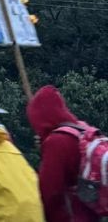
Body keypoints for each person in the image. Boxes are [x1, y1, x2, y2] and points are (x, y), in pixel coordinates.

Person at [26, 85, 101, 222]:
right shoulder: (82, 129)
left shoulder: (56, 142)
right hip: (91, 214)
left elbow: (49, 192)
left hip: (69, 216)